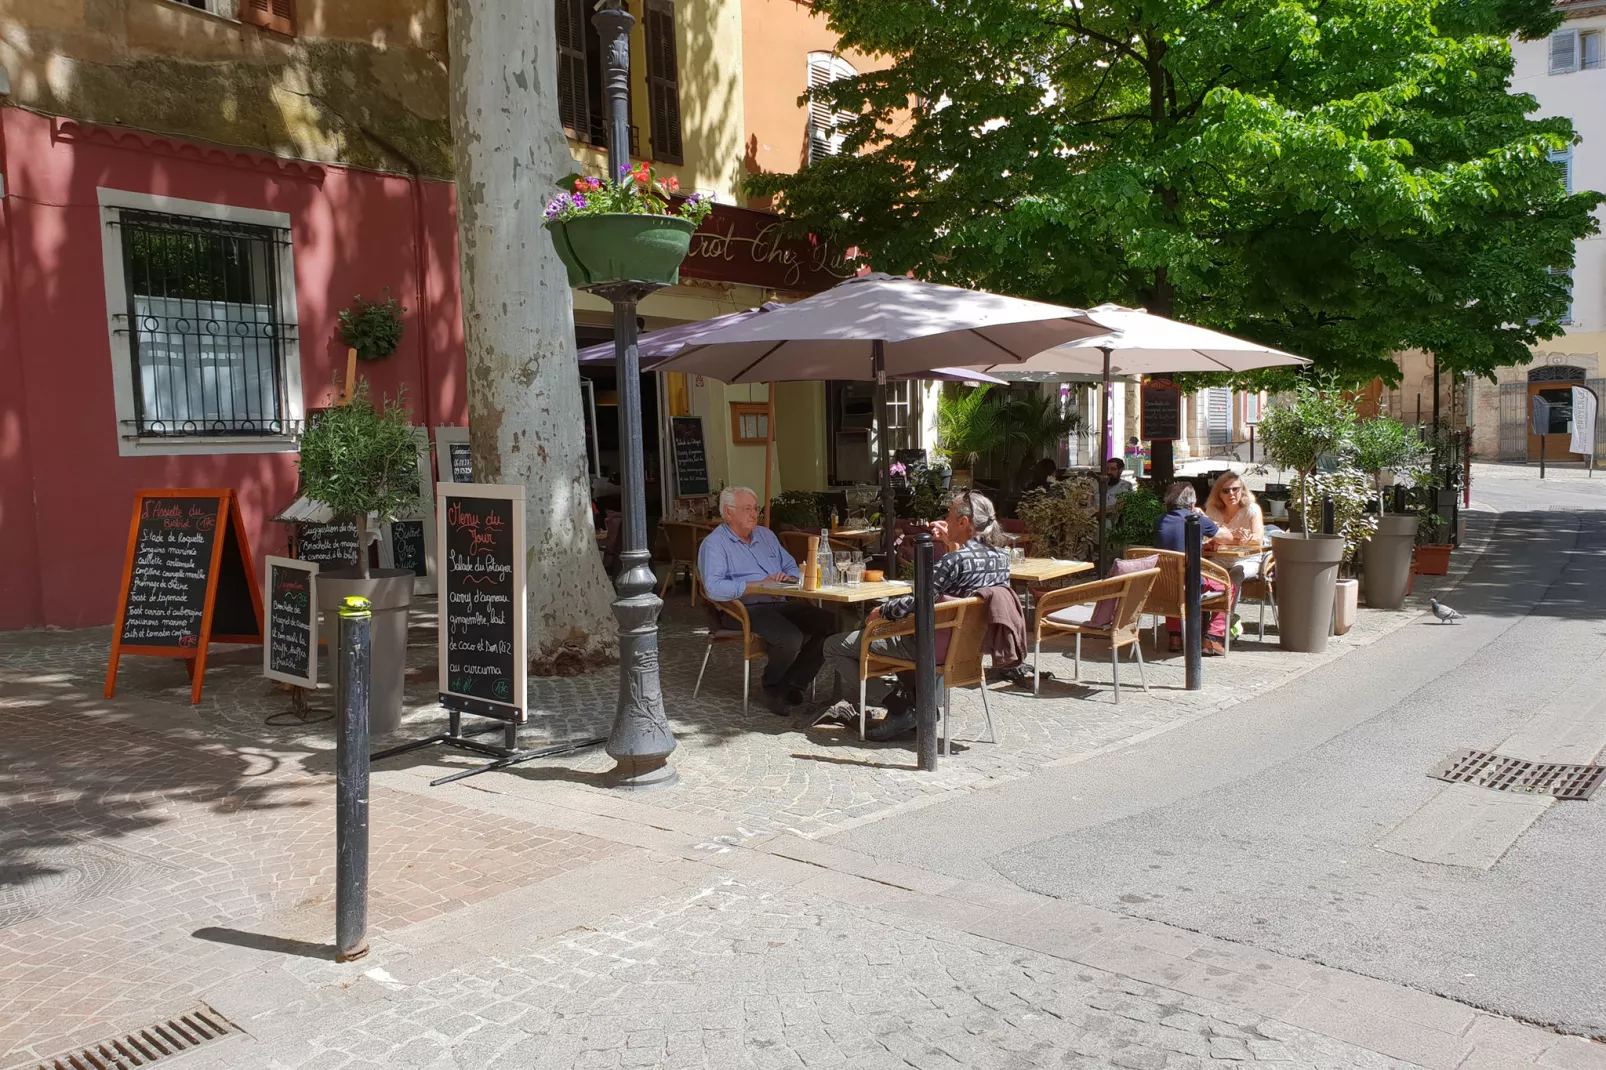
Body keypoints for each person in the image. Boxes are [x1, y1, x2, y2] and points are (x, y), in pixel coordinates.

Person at [820, 490, 1012, 741]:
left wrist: (882, 610)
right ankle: (919, 705)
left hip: (929, 647)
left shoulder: (954, 561)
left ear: (964, 523)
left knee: (834, 646)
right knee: (895, 637)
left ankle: (901, 708)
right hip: (969, 647)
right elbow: (962, 589)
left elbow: (918, 601)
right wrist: (951, 545)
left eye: (950, 516)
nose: (945, 519)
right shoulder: (1001, 559)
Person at [697, 486, 836, 715]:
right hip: (741, 609)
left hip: (778, 602)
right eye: (747, 509)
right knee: (790, 637)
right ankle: (773, 688)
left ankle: (792, 683)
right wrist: (756, 586)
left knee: (830, 623)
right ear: (728, 512)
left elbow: (792, 567)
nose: (754, 514)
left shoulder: (766, 536)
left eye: (755, 508)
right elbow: (713, 588)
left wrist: (786, 578)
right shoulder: (715, 544)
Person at [1154, 481, 1229, 657]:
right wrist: (1204, 519)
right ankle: (1212, 637)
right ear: (1192, 504)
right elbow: (1227, 537)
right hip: (1192, 585)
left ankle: (1175, 636)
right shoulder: (1196, 519)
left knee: (1174, 583)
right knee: (1227, 587)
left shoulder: (1158, 521)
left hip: (1163, 585)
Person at [1203, 471, 1267, 582]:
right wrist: (1235, 537)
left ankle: (1229, 599)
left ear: (1242, 490)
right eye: (1225, 491)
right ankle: (1212, 599)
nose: (1231, 494)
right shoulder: (1212, 511)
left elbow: (1257, 540)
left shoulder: (1252, 509)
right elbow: (1207, 540)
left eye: (1235, 489)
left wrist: (1222, 540)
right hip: (1219, 559)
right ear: (1219, 494)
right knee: (1202, 574)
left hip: (1247, 560)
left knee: (1236, 574)